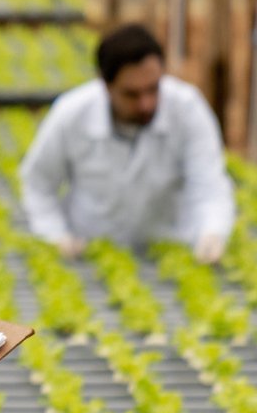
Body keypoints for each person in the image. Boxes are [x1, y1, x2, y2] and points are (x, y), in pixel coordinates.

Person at [19, 23, 233, 263]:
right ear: (105, 85)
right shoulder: (72, 114)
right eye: (132, 94)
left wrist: (212, 233)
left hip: (168, 252)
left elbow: (209, 185)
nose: (146, 104)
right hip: (91, 256)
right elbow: (38, 183)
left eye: (153, 89)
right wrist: (55, 235)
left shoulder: (188, 109)